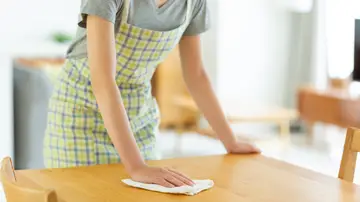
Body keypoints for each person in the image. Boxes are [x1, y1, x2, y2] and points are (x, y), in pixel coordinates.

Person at [43, 0, 260, 188]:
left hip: (139, 118)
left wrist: (230, 141)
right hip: (81, 116)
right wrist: (137, 166)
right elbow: (103, 82)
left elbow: (196, 76)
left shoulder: (193, 3)